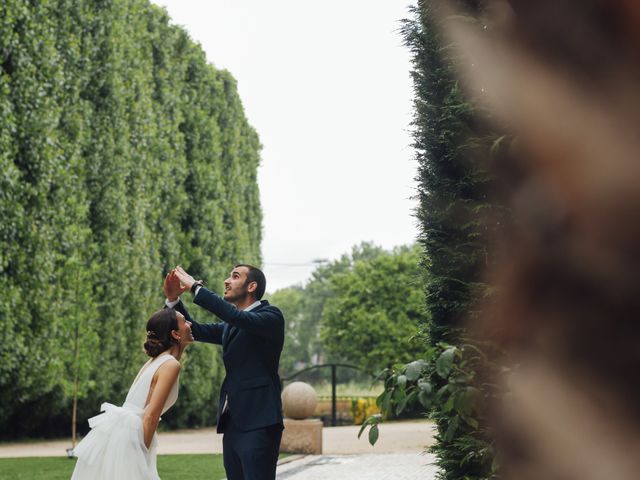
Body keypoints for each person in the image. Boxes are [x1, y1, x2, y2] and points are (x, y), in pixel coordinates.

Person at [164, 264, 285, 480]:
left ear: (252, 286)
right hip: (233, 423)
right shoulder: (231, 325)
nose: (227, 281)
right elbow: (196, 330)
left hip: (260, 421)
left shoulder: (271, 316)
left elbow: (240, 318)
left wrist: (196, 287)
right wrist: (173, 301)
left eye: (235, 276)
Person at [71, 309, 193, 480]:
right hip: (133, 436)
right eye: (185, 321)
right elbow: (150, 415)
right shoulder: (170, 364)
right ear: (175, 334)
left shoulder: (154, 361)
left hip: (121, 432)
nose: (190, 324)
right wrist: (140, 456)